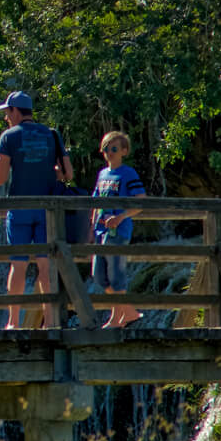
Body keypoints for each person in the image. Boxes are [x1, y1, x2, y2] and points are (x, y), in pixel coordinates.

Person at [0, 90, 71, 330]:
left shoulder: (9, 136)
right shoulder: (51, 134)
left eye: (7, 113)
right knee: (46, 266)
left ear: (15, 111)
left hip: (20, 208)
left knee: (19, 265)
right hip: (47, 209)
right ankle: (51, 321)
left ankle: (13, 321)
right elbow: (68, 174)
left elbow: (1, 178)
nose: (6, 118)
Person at [91, 130, 148, 328]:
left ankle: (116, 319)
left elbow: (140, 201)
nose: (109, 152)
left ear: (124, 151)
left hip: (119, 231)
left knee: (116, 276)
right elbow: (95, 201)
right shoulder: (102, 174)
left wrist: (121, 217)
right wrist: (92, 226)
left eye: (114, 148)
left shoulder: (128, 173)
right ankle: (130, 312)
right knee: (99, 277)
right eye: (106, 149)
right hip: (101, 232)